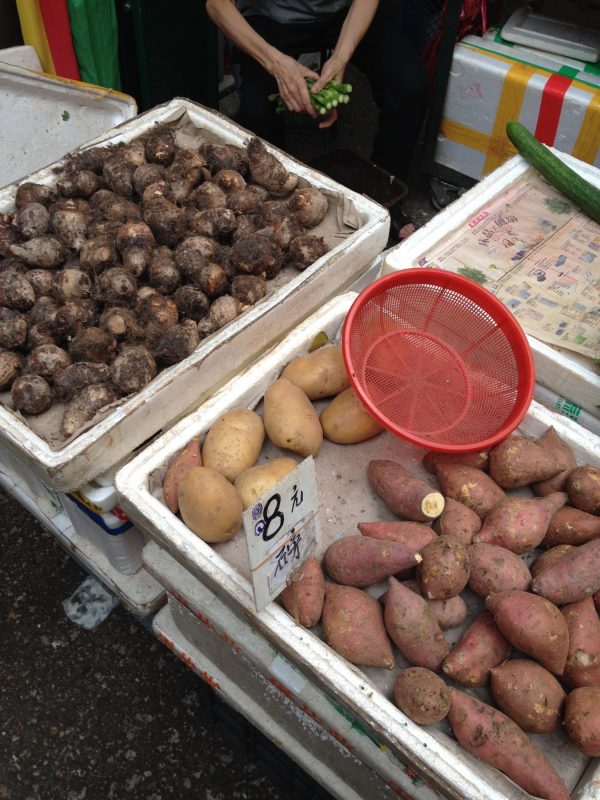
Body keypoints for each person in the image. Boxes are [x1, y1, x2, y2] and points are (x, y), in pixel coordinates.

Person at [205, 0, 429, 191]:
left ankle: (384, 193)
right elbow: (217, 5)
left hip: (345, 11)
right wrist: (275, 63)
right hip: (272, 18)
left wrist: (341, 57)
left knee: (409, 87)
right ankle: (270, 196)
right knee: (257, 111)